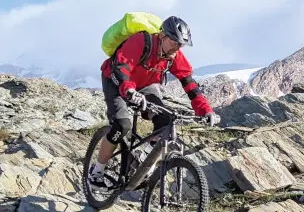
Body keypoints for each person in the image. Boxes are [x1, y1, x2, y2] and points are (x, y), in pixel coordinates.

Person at [88, 15, 220, 185]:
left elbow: (190, 84)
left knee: (165, 122)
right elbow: (122, 67)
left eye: (181, 45)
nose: (177, 48)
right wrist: (129, 90)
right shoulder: (141, 41)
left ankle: (141, 161)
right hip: (116, 81)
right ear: (162, 35)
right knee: (122, 125)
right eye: (174, 42)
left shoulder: (174, 55)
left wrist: (206, 110)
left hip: (145, 86)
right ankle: (97, 170)